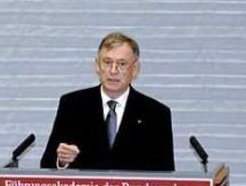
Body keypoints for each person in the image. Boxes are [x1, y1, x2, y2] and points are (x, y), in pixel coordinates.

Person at [40, 32, 175, 171]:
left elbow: (166, 176)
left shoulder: (156, 114)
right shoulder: (73, 105)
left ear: (135, 70)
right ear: (97, 65)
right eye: (107, 62)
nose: (113, 70)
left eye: (121, 64)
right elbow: (47, 164)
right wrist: (62, 162)